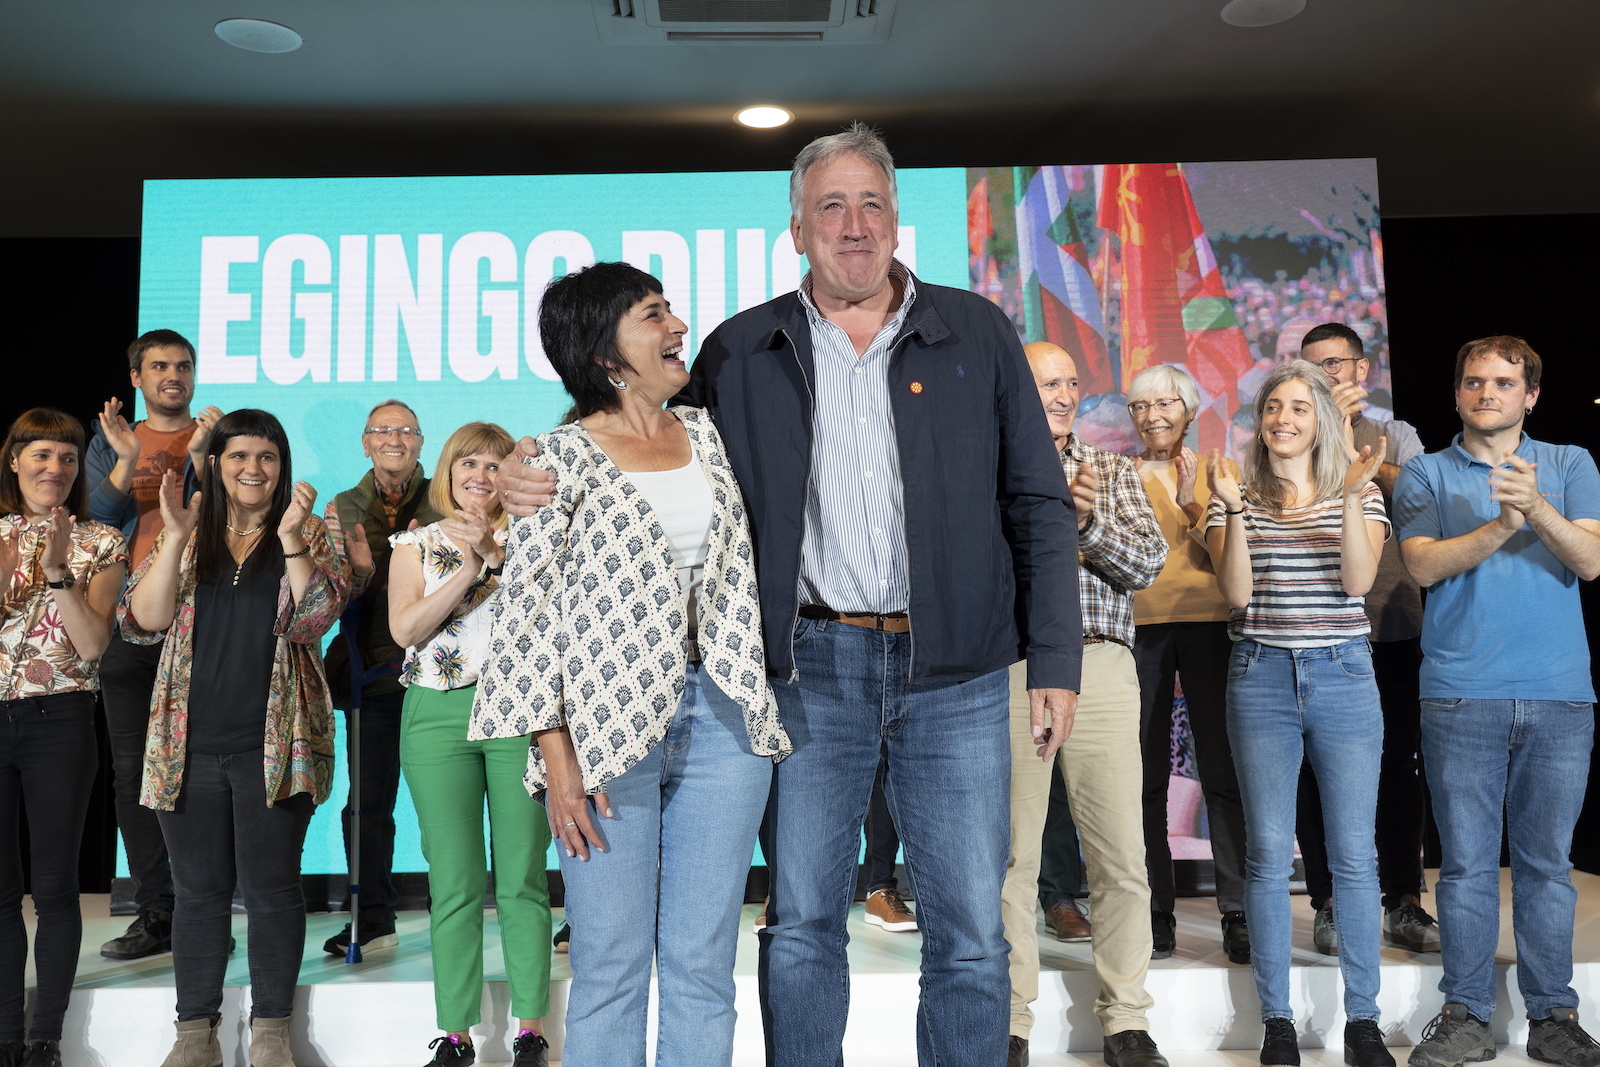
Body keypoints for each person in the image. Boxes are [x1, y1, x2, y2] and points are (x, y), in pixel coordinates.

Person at [495, 124, 1080, 1067]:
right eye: (831, 207)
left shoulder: (977, 331)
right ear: (797, 229)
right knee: (803, 920)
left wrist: (1055, 656)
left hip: (960, 674)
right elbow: (630, 437)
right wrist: (524, 472)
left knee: (971, 927)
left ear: (898, 220)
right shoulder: (739, 349)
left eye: (873, 204)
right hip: (806, 671)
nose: (855, 226)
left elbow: (1039, 504)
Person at [472, 262, 789, 1067]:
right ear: (606, 353)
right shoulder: (553, 459)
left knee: (703, 965)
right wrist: (556, 761)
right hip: (602, 734)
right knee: (611, 965)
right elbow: (528, 620)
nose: (677, 326)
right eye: (654, 315)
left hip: (722, 719)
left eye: (670, 309)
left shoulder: (713, 433)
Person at [1395, 337, 1600, 1067]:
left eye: (1505, 382)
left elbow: (1589, 557)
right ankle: (1468, 1013)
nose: (1489, 392)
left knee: (1547, 863)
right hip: (1460, 696)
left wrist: (1534, 505)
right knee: (1467, 867)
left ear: (1531, 395)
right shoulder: (1425, 471)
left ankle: (1554, 1016)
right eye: (1475, 381)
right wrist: (1500, 527)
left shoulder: (1570, 463)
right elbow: (1420, 562)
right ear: (1456, 394)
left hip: (1559, 695)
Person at [122, 408, 348, 1067]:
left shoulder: (303, 535)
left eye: (268, 456)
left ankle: (271, 1030)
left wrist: (295, 540)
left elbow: (315, 620)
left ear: (282, 466)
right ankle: (195, 1035)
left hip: (274, 748)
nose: (255, 467)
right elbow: (145, 619)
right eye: (239, 455)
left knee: (274, 889)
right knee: (197, 892)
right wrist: (174, 535)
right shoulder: (189, 536)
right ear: (215, 466)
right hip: (185, 748)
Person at [1206, 361, 1392, 1067]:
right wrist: (1225, 508)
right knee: (1265, 852)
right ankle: (1276, 1022)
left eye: (1299, 408)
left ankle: (1363, 1023)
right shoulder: (1241, 496)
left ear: (1323, 421)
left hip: (1343, 673)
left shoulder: (1364, 493)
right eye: (1273, 407)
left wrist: (1347, 495)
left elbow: (1359, 580)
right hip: (1260, 674)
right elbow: (1237, 595)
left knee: (1352, 853)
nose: (1284, 418)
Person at [1002, 342, 1168, 1067]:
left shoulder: (1112, 471)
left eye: (1072, 382)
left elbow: (1146, 562)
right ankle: (1008, 1020)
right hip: (1010, 663)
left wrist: (1084, 522)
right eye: (1048, 383)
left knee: (1120, 853)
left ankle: (1126, 1018)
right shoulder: (989, 469)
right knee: (1010, 852)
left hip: (1100, 659)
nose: (1065, 395)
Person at [389, 421, 551, 1067]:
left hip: (518, 713)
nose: (480, 476)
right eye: (468, 464)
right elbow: (407, 628)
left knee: (523, 878)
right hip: (436, 713)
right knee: (453, 881)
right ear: (448, 472)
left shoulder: (536, 541)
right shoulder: (416, 544)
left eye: (493, 464)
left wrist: (500, 554)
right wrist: (471, 568)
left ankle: (531, 1032)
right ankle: (455, 1034)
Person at [1296, 323, 1435, 956]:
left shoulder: (1395, 432)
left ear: (1361, 369)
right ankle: (1328, 902)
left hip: (1391, 622)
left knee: (1399, 766)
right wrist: (1324, 433)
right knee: (1317, 770)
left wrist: (1354, 440)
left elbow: (1420, 498)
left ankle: (1403, 896)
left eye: (1334, 364)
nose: (1325, 376)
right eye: (1312, 367)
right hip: (1318, 623)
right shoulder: (1290, 431)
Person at [86, 328, 221, 961]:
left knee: (202, 769)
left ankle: (205, 901)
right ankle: (157, 912)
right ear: (136, 377)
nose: (174, 374)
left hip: (200, 626)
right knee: (131, 773)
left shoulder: (217, 438)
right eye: (160, 366)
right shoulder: (108, 442)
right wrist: (122, 456)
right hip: (124, 628)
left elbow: (224, 515)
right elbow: (92, 524)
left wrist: (201, 456)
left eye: (184, 365)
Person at [0, 409, 127, 1067]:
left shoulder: (100, 541)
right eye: (41, 455)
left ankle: (44, 1037)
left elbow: (94, 643)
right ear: (15, 460)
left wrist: (55, 573)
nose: (55, 469)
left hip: (61, 720)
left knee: (53, 887)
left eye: (68, 458)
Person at [1124, 363, 1250, 965]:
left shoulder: (1220, 471)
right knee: (1144, 778)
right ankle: (1154, 910)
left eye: (1165, 403)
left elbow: (1232, 556)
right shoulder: (1117, 474)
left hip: (1212, 628)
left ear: (1191, 410)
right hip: (1139, 632)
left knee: (1224, 773)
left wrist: (1193, 506)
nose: (1153, 415)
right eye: (1141, 406)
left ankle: (1238, 911)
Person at [322, 398, 443, 956]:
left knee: (450, 801)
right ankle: (371, 916)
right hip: (374, 675)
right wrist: (362, 574)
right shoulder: (342, 507)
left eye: (405, 430)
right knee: (367, 802)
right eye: (382, 430)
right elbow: (326, 596)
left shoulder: (448, 495)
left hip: (445, 673)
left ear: (420, 441)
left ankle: (457, 911)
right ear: (366, 443)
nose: (394, 438)